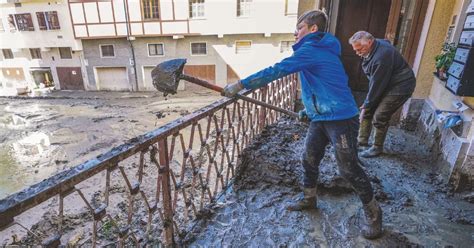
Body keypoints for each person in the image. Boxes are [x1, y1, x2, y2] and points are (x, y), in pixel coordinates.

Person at [223, 10, 382, 239]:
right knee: (309, 158)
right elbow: (320, 85)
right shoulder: (319, 50)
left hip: (341, 119)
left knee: (348, 168)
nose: (295, 34)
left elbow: (276, 70)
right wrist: (309, 111)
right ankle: (309, 199)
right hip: (322, 117)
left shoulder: (312, 50)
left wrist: (240, 84)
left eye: (299, 29)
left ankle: (374, 214)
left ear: (312, 29)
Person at [349, 31, 416, 158]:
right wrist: (367, 105)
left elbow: (377, 84)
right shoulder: (374, 45)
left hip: (401, 85)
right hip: (387, 82)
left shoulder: (381, 57)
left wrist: (367, 103)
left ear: (369, 42)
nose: (358, 53)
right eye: (355, 50)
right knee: (368, 109)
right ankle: (361, 141)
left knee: (380, 115)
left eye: (360, 49)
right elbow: (377, 83)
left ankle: (376, 148)